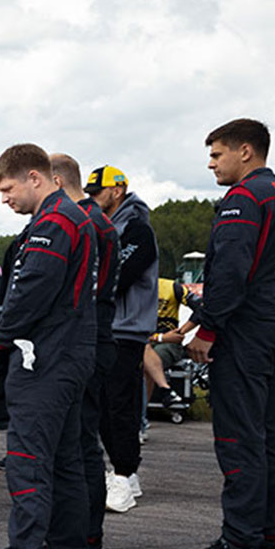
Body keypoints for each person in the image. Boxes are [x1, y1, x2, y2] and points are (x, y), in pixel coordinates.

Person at [175, 118, 275, 549]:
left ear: (245, 151)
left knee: (240, 438)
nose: (211, 164)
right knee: (271, 435)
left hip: (246, 330)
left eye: (217, 154)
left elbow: (230, 271)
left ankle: (239, 544)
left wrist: (208, 328)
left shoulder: (244, 199)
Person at [0, 145, 95, 549]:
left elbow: (31, 293)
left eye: (8, 189)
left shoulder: (54, 223)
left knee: (28, 465)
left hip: (44, 360)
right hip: (72, 354)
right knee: (65, 464)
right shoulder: (78, 219)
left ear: (35, 178)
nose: (4, 199)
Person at [54, 153, 119, 549]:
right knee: (77, 440)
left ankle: (84, 538)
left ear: (56, 181)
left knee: (79, 442)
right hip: (96, 335)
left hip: (85, 339)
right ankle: (79, 536)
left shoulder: (83, 222)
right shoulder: (100, 221)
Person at [84, 165, 157, 511]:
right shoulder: (105, 227)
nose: (92, 199)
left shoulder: (137, 229)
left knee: (120, 406)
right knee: (104, 406)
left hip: (127, 329)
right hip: (107, 327)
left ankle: (125, 475)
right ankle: (125, 473)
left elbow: (119, 275)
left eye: (97, 193)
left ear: (117, 190)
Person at [143, 278, 193, 404]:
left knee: (147, 364)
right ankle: (165, 389)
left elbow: (202, 308)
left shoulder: (172, 287)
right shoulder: (128, 287)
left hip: (168, 344)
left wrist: (181, 332)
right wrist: (160, 337)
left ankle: (141, 412)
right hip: (142, 341)